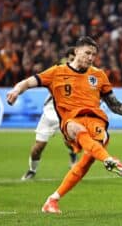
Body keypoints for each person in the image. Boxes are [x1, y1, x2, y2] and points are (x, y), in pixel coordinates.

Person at [7, 36, 122, 214]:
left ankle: (52, 200)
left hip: (96, 122)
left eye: (93, 54)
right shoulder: (57, 72)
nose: (91, 57)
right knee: (76, 129)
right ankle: (109, 159)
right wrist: (16, 90)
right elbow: (29, 82)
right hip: (71, 121)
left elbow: (116, 106)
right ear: (76, 51)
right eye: (87, 53)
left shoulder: (99, 75)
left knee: (85, 164)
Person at [21, 47, 78, 181]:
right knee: (38, 148)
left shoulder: (84, 74)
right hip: (50, 113)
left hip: (68, 113)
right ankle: (32, 170)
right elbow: (37, 80)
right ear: (66, 60)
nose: (74, 62)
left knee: (69, 139)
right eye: (71, 59)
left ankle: (73, 157)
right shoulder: (57, 71)